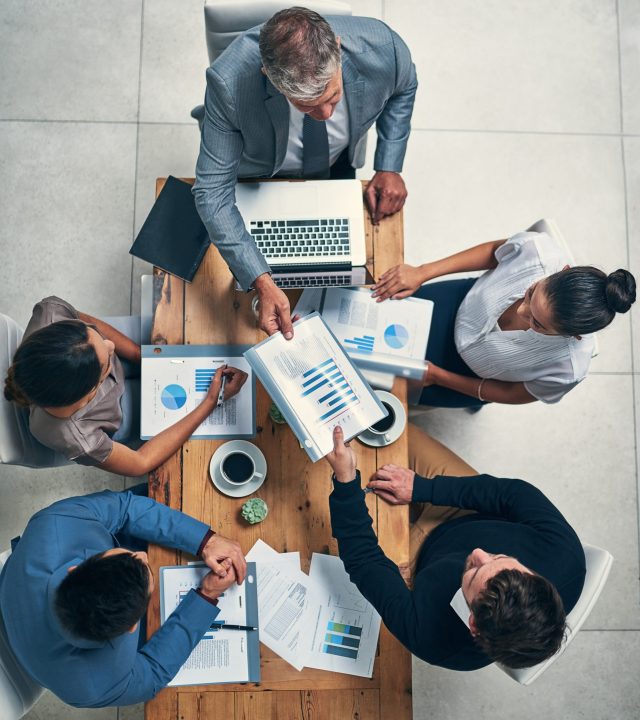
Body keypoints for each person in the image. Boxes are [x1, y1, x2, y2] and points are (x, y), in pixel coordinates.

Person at [193, 7, 417, 339]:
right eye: (306, 106)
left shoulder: (386, 48)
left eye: (333, 96)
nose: (325, 115)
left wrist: (389, 164)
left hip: (337, 162)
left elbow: (404, 88)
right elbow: (211, 194)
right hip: (263, 172)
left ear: (338, 48)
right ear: (268, 75)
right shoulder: (228, 83)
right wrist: (260, 280)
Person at [325, 425, 586, 670]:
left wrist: (345, 481)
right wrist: (423, 487)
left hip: (419, 562)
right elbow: (511, 494)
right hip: (463, 511)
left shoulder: (436, 642)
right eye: (500, 557)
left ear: (474, 624)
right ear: (535, 576)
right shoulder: (565, 555)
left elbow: (364, 560)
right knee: (386, 425)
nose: (478, 552)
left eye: (474, 571)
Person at [0, 486, 246, 707]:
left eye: (129, 555)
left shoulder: (57, 522)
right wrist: (207, 595)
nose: (143, 556)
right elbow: (152, 673)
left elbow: (124, 506)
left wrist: (205, 541)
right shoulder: (94, 686)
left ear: (75, 569)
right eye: (146, 568)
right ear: (131, 629)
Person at [372, 229, 636, 407]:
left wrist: (439, 377)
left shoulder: (568, 369)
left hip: (463, 377)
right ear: (562, 270)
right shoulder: (538, 251)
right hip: (456, 304)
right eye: (531, 293)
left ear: (573, 336)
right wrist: (422, 272)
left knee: (381, 393)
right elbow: (493, 252)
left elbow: (510, 393)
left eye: (537, 324)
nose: (522, 311)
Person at [3, 296, 248, 474]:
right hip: (113, 410)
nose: (110, 346)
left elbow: (86, 324)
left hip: (101, 367)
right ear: (89, 395)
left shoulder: (51, 314)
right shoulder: (81, 439)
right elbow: (140, 463)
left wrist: (142, 356)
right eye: (104, 362)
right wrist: (210, 402)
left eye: (95, 337)